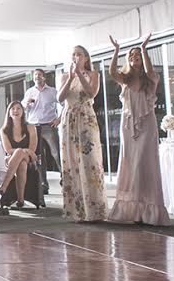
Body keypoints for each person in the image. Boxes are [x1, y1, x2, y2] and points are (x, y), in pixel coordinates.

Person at [107, 35, 168, 226]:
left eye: (138, 55)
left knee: (144, 162)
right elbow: (111, 72)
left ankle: (149, 209)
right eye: (132, 55)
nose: (135, 57)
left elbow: (150, 71)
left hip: (147, 124)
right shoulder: (125, 79)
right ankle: (132, 210)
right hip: (128, 124)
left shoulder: (151, 78)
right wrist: (116, 51)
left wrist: (144, 49)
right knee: (130, 162)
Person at [58, 46, 107, 222]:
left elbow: (91, 92)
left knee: (89, 160)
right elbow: (60, 98)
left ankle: (95, 210)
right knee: (71, 161)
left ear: (86, 58)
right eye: (73, 54)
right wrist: (71, 76)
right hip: (69, 119)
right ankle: (76, 210)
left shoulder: (94, 75)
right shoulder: (65, 76)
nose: (75, 57)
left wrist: (79, 74)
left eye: (79, 54)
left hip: (86, 119)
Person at [0, 101, 39, 211]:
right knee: (21, 164)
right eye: (12, 109)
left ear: (23, 112)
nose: (15, 111)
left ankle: (4, 186)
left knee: (20, 155)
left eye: (19, 108)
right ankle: (20, 200)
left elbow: (32, 149)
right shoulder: (4, 130)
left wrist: (22, 151)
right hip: (10, 158)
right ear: (9, 113)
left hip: (29, 158)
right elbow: (8, 150)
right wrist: (23, 151)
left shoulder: (31, 127)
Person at [23, 69, 60, 196]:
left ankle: (65, 180)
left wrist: (59, 119)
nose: (37, 77)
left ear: (44, 77)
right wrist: (26, 104)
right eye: (35, 75)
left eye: (39, 75)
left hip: (49, 126)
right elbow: (22, 108)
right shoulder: (29, 92)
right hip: (34, 127)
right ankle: (43, 185)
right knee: (39, 157)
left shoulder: (52, 91)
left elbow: (65, 104)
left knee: (57, 154)